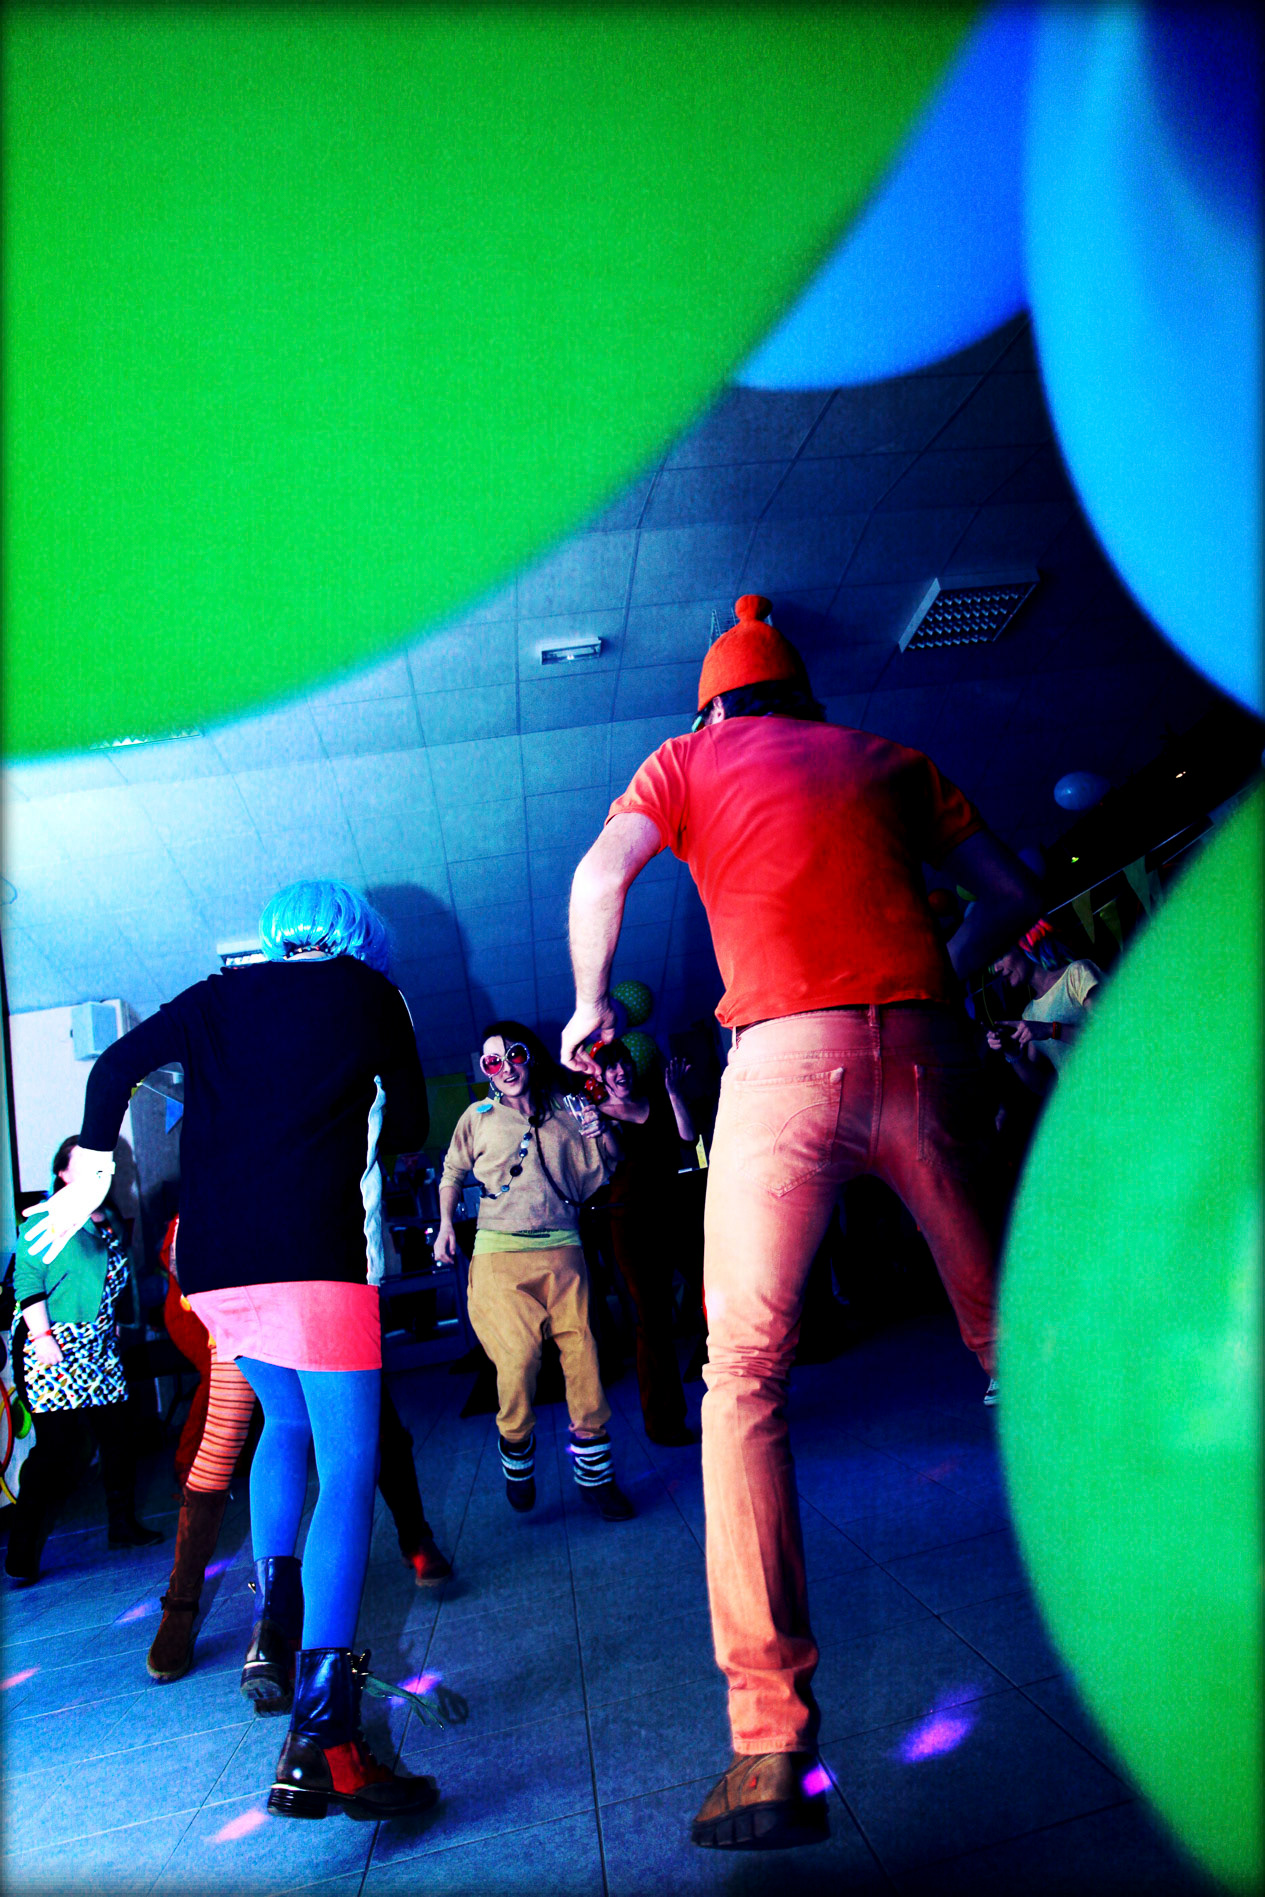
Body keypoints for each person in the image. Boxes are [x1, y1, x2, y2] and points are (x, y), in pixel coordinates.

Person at [563, 595, 1041, 1850]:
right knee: (1015, 1345)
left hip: (781, 1064)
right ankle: (1167, 1600)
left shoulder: (683, 761)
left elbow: (600, 871)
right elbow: (1013, 888)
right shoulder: (884, 756)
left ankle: (769, 1744)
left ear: (711, 705)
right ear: (801, 698)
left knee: (743, 1380)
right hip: (930, 1052)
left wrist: (588, 1002)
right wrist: (945, 971)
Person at [23, 879, 439, 1822]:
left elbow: (112, 1068)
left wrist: (91, 1169)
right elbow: (412, 1127)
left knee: (281, 1425)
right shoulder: (371, 993)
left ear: (278, 934)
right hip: (315, 1259)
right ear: (355, 934)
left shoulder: (217, 994)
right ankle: (325, 1739)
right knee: (350, 1468)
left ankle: (272, 1629)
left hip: (212, 1269)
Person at [145, 1220, 451, 1688]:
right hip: (302, 1264)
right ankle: (316, 1693)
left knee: (293, 1426)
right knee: (342, 1443)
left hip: (238, 1269)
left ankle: (263, 1626)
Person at [434, 1021, 634, 1522]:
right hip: (500, 1257)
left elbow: (609, 1161)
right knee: (519, 1359)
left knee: (585, 1358)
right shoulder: (477, 1117)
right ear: (485, 1071)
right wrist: (445, 1226)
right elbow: (452, 1172)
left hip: (564, 1250)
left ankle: (597, 1478)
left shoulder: (567, 1107)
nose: (505, 1068)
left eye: (513, 1055)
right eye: (492, 1062)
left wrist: (604, 1131)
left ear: (531, 1056)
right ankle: (516, 1445)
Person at [4, 1137, 164, 1583]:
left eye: (102, 1166)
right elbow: (27, 1279)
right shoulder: (48, 1218)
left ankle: (122, 1525)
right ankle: (21, 1554)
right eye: (85, 1165)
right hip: (51, 1343)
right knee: (56, 1451)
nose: (99, 1173)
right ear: (62, 1173)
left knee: (119, 1435)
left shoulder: (105, 1217)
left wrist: (115, 1320)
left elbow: (112, 1278)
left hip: (98, 1345)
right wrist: (43, 1337)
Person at [589, 1040, 696, 1446]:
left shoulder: (658, 1100)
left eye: (625, 1063)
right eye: (611, 1067)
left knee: (709, 1297)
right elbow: (615, 1157)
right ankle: (664, 1421)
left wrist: (674, 1093)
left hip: (673, 1213)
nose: (621, 1072)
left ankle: (736, 1391)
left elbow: (688, 1138)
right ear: (601, 1076)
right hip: (630, 1224)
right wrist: (604, 1129)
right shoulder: (598, 1116)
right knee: (651, 1321)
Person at [986, 921, 1103, 1081]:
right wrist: (1012, 1052)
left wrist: (1051, 1029)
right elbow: (1041, 1085)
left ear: (1024, 943)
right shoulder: (1029, 1014)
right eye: (992, 965)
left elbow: (1109, 1033)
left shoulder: (1077, 973)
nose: (996, 969)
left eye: (1001, 956)